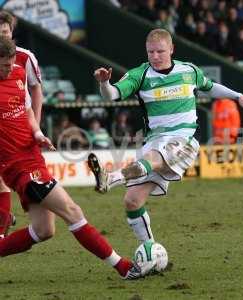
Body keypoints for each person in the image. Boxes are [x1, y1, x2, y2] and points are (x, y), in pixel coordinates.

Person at [87, 28, 243, 247]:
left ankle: (110, 178)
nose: (155, 56)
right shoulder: (139, 75)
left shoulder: (189, 71)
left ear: (171, 49)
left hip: (184, 140)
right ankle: (150, 251)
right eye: (150, 52)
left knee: (153, 158)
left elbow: (209, 86)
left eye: (160, 51)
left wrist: (238, 96)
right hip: (154, 142)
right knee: (132, 201)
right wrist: (104, 83)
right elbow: (112, 95)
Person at [0, 36, 153, 280]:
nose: (10, 69)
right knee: (72, 211)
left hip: (33, 155)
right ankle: (123, 267)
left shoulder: (18, 73)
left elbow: (26, 108)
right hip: (18, 167)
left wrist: (38, 133)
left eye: (11, 63)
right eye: (4, 66)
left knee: (43, 230)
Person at [0, 11, 45, 238]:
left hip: (17, 130)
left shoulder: (25, 57)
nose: (2, 35)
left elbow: (35, 90)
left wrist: (35, 126)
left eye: (5, 31)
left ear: (12, 31)